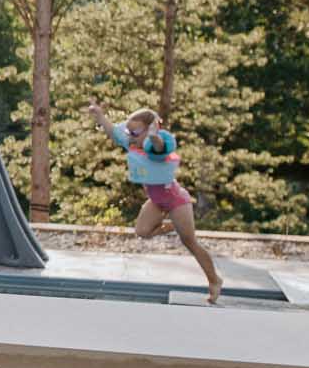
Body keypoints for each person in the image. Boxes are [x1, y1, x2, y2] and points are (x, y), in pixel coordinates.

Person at [88, 101, 222, 303]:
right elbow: (113, 132)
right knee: (142, 231)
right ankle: (171, 226)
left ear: (150, 129)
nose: (130, 136)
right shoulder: (133, 141)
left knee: (190, 241)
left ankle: (214, 280)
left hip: (175, 199)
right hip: (157, 201)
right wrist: (99, 115)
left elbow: (158, 147)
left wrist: (153, 134)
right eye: (129, 131)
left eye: (135, 132)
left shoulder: (155, 144)